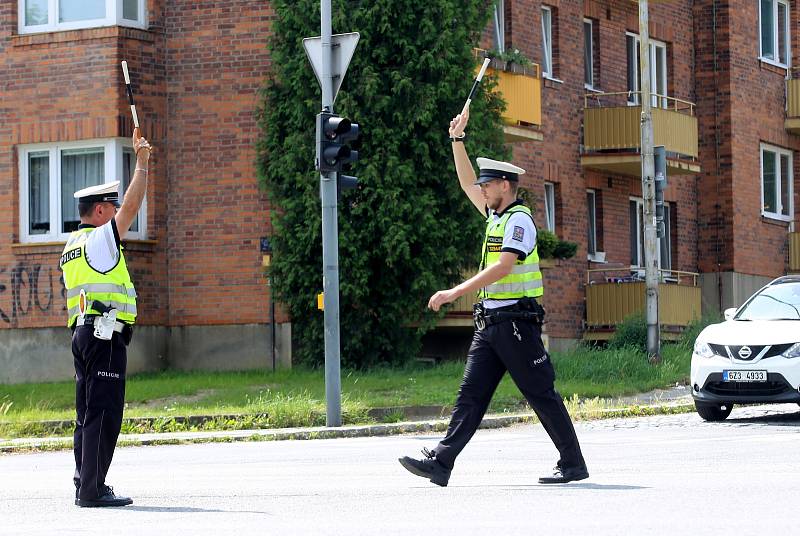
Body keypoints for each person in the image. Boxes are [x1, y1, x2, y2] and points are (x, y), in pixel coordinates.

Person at [398, 110, 588, 486]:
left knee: (540, 393)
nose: (482, 189)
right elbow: (466, 181)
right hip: (491, 326)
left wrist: (456, 291)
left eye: (488, 184)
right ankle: (442, 461)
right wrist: (457, 140)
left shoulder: (519, 219)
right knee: (470, 395)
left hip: (517, 323)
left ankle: (573, 463)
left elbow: (503, 267)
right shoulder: (494, 216)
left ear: (504, 184)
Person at [60, 127, 152, 507]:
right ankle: (92, 491)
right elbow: (131, 209)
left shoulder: (71, 245)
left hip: (83, 336)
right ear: (99, 211)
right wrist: (142, 166)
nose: (117, 213)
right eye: (111, 208)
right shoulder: (98, 240)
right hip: (104, 336)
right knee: (104, 412)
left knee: (86, 414)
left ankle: (85, 482)